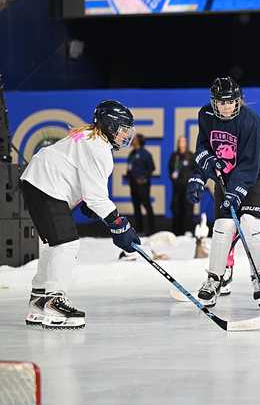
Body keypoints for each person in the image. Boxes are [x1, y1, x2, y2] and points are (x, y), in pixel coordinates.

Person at [20, 100, 140, 330]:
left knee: (55, 244)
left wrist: (90, 204)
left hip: (36, 182)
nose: (126, 135)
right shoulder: (98, 147)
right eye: (123, 128)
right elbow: (96, 196)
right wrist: (120, 226)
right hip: (46, 185)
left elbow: (82, 182)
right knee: (66, 244)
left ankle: (39, 300)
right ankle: (54, 301)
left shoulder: (89, 137)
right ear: (109, 124)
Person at [186, 76, 260, 309]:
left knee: (250, 225)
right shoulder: (205, 115)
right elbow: (203, 147)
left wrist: (235, 193)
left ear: (239, 101)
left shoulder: (251, 122)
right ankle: (214, 279)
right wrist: (199, 176)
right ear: (213, 102)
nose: (225, 107)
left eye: (230, 102)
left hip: (256, 177)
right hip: (226, 176)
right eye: (220, 102)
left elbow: (249, 164)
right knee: (224, 226)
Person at [127, 134, 155, 235]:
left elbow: (151, 168)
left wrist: (144, 178)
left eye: (134, 139)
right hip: (133, 185)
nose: (132, 141)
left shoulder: (145, 154)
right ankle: (139, 230)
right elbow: (130, 168)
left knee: (147, 206)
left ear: (139, 141)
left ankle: (152, 230)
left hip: (143, 185)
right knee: (136, 207)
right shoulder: (132, 154)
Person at [168, 136, 195, 235]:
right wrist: (173, 178)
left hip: (188, 187)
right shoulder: (175, 156)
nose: (181, 143)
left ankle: (188, 230)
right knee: (176, 208)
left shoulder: (190, 156)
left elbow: (195, 170)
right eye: (180, 141)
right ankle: (176, 231)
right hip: (177, 188)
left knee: (188, 209)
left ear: (186, 143)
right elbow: (170, 169)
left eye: (183, 141)